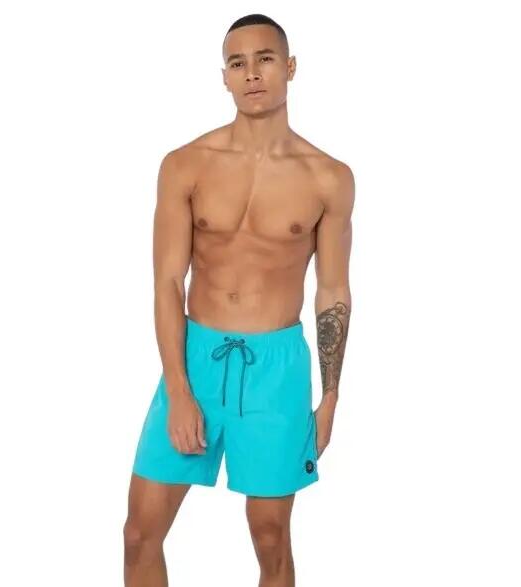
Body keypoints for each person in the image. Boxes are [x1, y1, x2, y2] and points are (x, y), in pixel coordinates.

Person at [123, 13, 354, 586]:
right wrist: (179, 388)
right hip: (196, 359)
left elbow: (332, 291)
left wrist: (329, 397)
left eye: (265, 59)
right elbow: (166, 281)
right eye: (237, 63)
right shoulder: (185, 165)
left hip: (277, 371)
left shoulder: (328, 177)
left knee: (271, 537)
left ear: (290, 68)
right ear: (224, 77)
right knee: (140, 533)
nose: (252, 73)